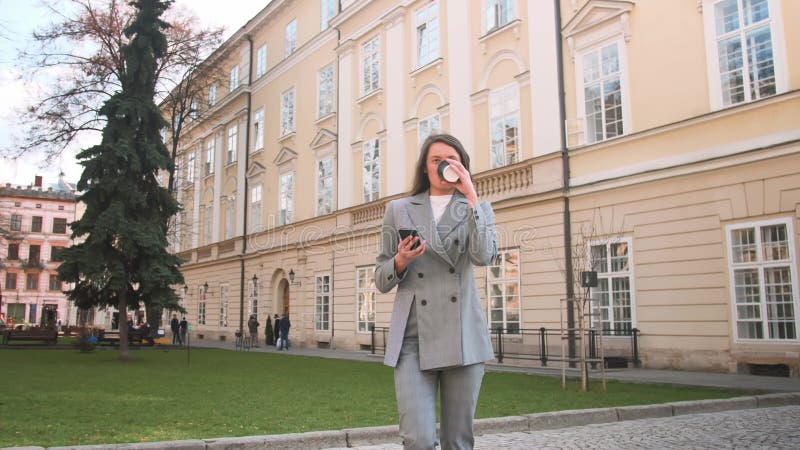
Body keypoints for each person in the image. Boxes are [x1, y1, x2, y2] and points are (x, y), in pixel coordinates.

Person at [375, 133, 497, 450]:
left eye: (450, 159)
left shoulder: (477, 208)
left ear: (462, 167)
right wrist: (400, 260)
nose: (443, 165)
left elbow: (484, 257)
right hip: (413, 341)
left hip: (463, 338)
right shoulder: (399, 210)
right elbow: (381, 278)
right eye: (436, 159)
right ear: (425, 168)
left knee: (458, 442)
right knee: (417, 440)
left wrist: (471, 197)